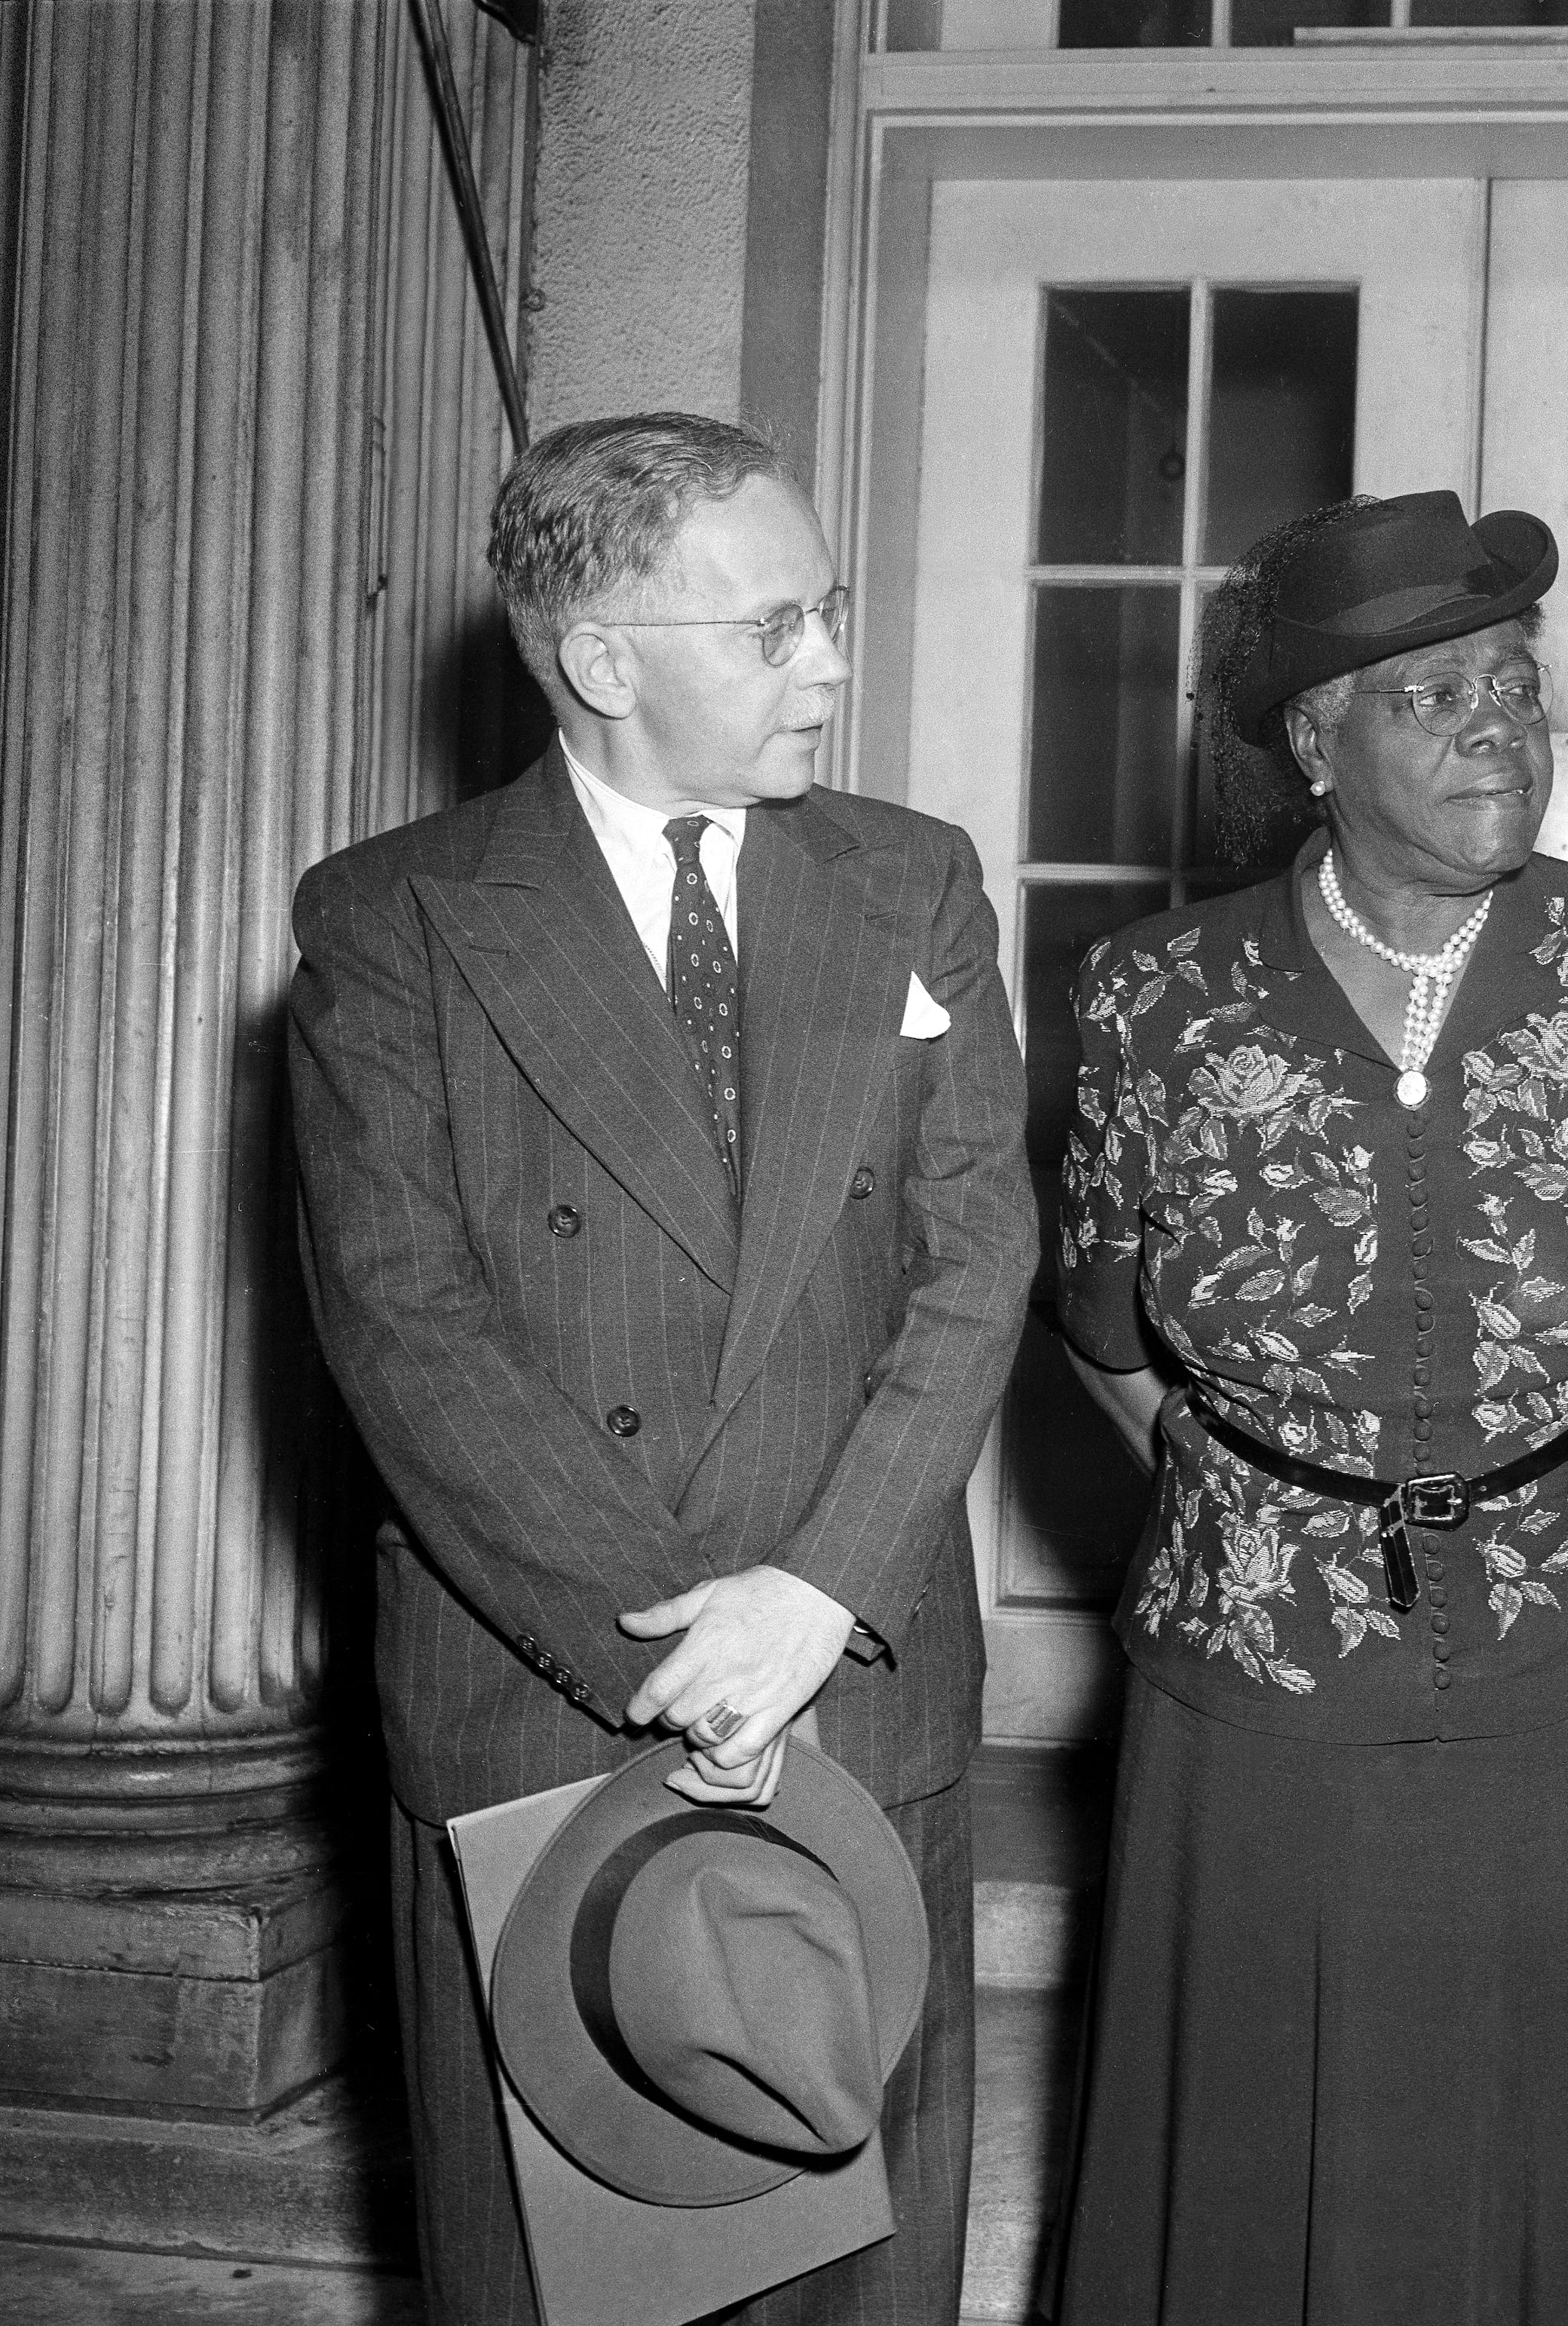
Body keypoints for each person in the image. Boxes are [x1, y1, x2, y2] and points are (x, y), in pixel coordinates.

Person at [288, 412, 1032, 2323]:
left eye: (832, 609)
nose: (833, 667)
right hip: (556, 1702)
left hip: (851, 1675)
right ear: (601, 660)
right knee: (567, 2275)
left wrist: (806, 1598)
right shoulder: (391, 923)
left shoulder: (911, 879)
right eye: (776, 626)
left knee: (857, 2267)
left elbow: (975, 1259)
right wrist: (677, 1659)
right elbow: (406, 1323)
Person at [1053, 489, 1568, 2325]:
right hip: (1259, 1695)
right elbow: (1097, 1325)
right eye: (1433, 694)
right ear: (1314, 744)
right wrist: (1266, 1506)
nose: (1500, 725)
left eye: (1516, 684)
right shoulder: (1155, 994)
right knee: (1264, 2161)